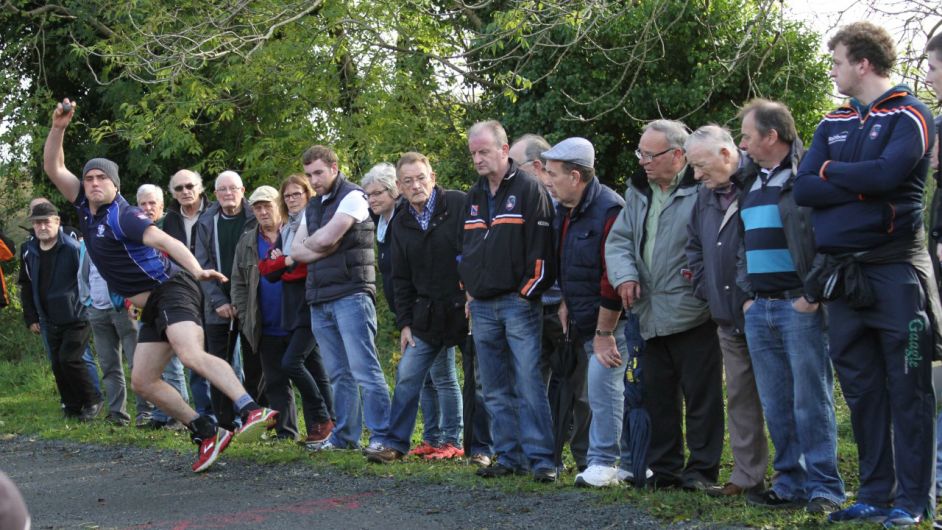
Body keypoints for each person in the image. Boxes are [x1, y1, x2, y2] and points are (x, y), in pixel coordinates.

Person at [43, 98, 277, 472]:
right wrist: (58, 127)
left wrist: (198, 270)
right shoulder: (86, 209)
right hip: (152, 305)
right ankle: (205, 429)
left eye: (101, 178)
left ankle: (250, 409)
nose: (93, 183)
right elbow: (54, 166)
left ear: (115, 185)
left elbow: (168, 242)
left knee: (190, 355)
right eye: (88, 178)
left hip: (172, 288)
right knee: (144, 380)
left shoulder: (124, 216)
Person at [793, 22, 938, 525]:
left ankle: (912, 501)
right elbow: (803, 188)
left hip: (895, 276)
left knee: (908, 389)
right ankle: (875, 493)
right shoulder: (830, 121)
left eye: (836, 61)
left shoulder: (911, 114)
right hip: (841, 279)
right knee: (862, 389)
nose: (831, 70)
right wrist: (845, 180)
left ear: (863, 63)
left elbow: (887, 176)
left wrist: (830, 174)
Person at [735, 105, 846, 514]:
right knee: (776, 401)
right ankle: (790, 481)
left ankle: (825, 487)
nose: (741, 144)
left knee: (810, 400)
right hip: (759, 308)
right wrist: (746, 296)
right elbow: (742, 247)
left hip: (798, 306)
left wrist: (810, 296)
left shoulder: (806, 180)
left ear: (772, 136)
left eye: (747, 135)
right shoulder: (747, 181)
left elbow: (828, 241)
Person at [605, 119, 724, 491]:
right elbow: (619, 241)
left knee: (701, 397)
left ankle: (702, 472)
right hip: (649, 312)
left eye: (650, 154)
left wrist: (702, 279)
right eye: (640, 153)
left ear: (677, 155)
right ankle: (665, 470)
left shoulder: (702, 189)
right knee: (659, 397)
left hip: (694, 311)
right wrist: (624, 275)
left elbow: (716, 240)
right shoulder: (639, 192)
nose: (643, 161)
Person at [459, 120, 558, 482]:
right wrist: (469, 290)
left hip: (519, 303)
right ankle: (509, 457)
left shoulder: (531, 189)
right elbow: (463, 252)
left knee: (529, 383)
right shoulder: (472, 197)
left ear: (503, 150)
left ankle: (543, 461)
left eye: (484, 151)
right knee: (494, 387)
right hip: (482, 306)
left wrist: (525, 293)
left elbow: (543, 251)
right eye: (473, 153)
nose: (478, 159)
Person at [684, 124, 769, 499]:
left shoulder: (759, 182)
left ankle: (792, 478)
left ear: (725, 154)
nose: (696, 174)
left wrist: (749, 295)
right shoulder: (704, 195)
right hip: (726, 316)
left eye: (701, 165)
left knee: (782, 397)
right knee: (740, 397)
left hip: (763, 310)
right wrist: (706, 288)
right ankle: (748, 476)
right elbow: (694, 247)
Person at [538, 137, 628, 487]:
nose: (548, 180)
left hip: (609, 321)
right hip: (582, 317)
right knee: (596, 390)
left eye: (553, 174)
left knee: (604, 389)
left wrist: (605, 334)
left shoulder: (609, 210)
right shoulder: (565, 210)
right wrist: (564, 303)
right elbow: (568, 264)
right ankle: (621, 461)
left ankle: (606, 463)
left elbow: (612, 275)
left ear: (575, 176)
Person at [365, 152, 466, 464]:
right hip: (425, 315)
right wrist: (405, 323)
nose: (416, 185)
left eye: (421, 178)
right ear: (399, 186)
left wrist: (475, 297)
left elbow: (475, 255)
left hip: (466, 309)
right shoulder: (401, 222)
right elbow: (401, 279)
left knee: (478, 380)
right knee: (408, 374)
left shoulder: (459, 205)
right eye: (407, 181)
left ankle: (467, 443)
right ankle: (395, 444)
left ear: (432, 177)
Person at [290, 145, 391, 451]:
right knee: (338, 374)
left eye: (319, 172)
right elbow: (295, 251)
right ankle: (345, 437)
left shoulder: (355, 196)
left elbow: (325, 238)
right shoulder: (314, 205)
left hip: (351, 293)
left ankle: (382, 436)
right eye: (309, 175)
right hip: (319, 297)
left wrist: (318, 245)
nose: (314, 180)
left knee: (365, 369)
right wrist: (318, 246)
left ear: (334, 168)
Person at [510, 133, 590, 472]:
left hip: (566, 309)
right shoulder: (523, 205)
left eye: (516, 166)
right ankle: (541, 457)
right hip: (531, 307)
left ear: (536, 167)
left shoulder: (565, 203)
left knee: (581, 389)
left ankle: (589, 460)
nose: (510, 172)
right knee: (530, 385)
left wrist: (568, 299)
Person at [257, 175, 335, 448]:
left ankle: (325, 419)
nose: (291, 200)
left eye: (296, 194)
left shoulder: (313, 221)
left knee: (292, 363)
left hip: (311, 301)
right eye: (287, 196)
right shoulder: (287, 229)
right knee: (315, 365)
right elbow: (267, 271)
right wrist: (286, 263)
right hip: (291, 308)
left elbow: (306, 263)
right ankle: (324, 425)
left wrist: (286, 263)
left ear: (307, 194)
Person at [20, 201, 102, 421]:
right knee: (57, 363)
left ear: (57, 222)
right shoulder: (31, 251)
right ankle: (72, 405)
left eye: (46, 222)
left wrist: (86, 305)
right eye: (37, 223)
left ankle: (93, 400)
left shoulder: (72, 248)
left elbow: (87, 278)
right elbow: (27, 284)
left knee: (70, 359)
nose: (42, 227)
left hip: (76, 315)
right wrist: (32, 316)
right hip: (47, 317)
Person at [231, 186, 302, 439]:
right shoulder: (248, 240)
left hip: (298, 321)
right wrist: (242, 311)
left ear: (278, 205)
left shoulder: (295, 231)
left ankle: (324, 427)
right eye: (257, 207)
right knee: (274, 382)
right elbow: (238, 281)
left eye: (267, 205)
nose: (262, 211)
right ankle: (286, 433)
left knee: (311, 377)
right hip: (266, 323)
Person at [194, 171, 263, 431]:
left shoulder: (253, 217)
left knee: (255, 364)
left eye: (232, 188)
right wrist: (218, 301)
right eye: (222, 190)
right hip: (217, 306)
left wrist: (243, 301)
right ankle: (225, 424)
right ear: (215, 194)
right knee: (219, 364)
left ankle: (255, 420)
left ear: (243, 190)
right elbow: (201, 264)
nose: (227, 194)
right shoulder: (206, 221)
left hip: (251, 304)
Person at [135, 184, 190, 430]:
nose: (147, 208)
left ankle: (177, 416)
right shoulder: (135, 232)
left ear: (161, 205)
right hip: (145, 304)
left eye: (152, 204)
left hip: (171, 300)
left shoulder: (170, 229)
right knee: (151, 367)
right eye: (143, 204)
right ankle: (159, 415)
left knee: (173, 364)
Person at [160, 170, 213, 420]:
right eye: (178, 188)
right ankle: (204, 412)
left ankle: (232, 412)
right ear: (173, 193)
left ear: (200, 187)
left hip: (214, 290)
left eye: (189, 186)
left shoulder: (214, 212)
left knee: (223, 354)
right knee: (193, 354)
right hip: (184, 293)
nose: (185, 192)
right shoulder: (168, 220)